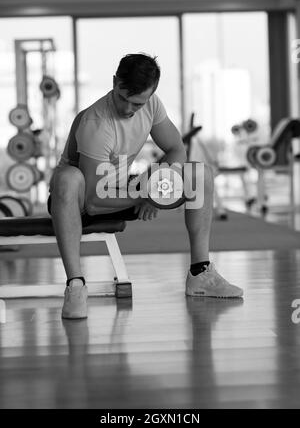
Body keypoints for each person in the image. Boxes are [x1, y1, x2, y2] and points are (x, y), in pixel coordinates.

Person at [48, 53, 243, 319]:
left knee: (200, 175)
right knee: (68, 177)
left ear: (151, 95)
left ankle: (200, 273)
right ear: (115, 82)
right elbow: (93, 201)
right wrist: (145, 195)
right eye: (122, 98)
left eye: (137, 104)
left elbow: (176, 149)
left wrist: (156, 186)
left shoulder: (152, 106)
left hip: (122, 190)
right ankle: (76, 285)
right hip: (79, 200)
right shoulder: (96, 122)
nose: (128, 109)